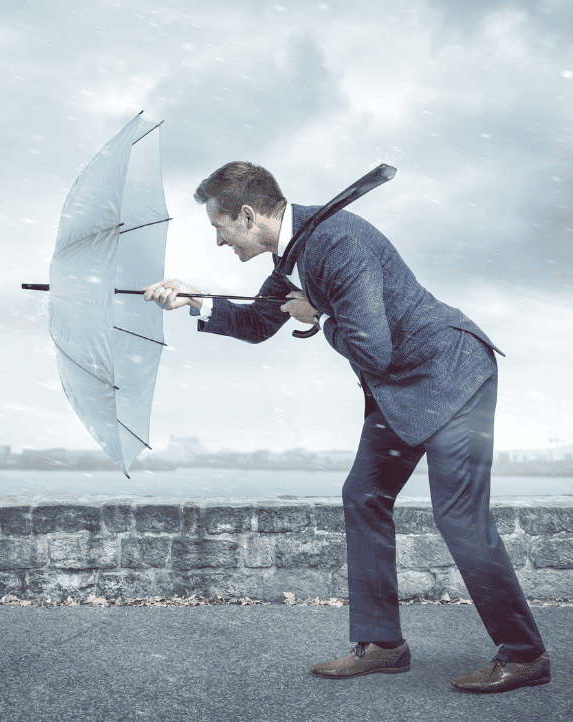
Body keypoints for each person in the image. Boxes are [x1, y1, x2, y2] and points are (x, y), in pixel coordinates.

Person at [143, 161, 550, 694]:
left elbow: (372, 349)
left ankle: (524, 656)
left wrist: (319, 318)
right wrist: (195, 302)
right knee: (363, 496)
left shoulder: (337, 243)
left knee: (458, 519)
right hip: (399, 388)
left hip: (452, 377)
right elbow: (259, 323)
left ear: (246, 215)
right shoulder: (291, 256)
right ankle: (382, 644)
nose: (219, 242)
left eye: (219, 228)